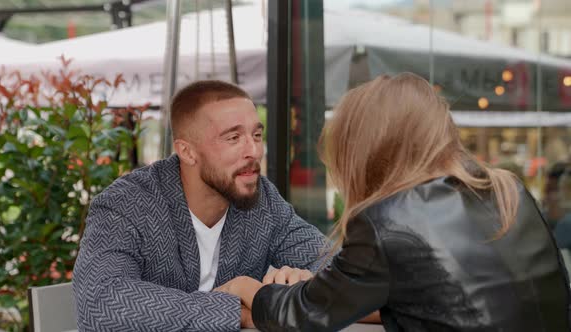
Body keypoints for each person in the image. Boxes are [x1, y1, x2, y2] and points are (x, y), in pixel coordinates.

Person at [216, 73, 571, 331]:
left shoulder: (386, 222)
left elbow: (303, 316)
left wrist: (241, 286)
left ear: (369, 149)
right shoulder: (509, 190)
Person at [72, 80, 328, 331]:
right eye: (234, 137)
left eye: (257, 135)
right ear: (187, 152)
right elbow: (101, 302)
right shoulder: (126, 205)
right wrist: (244, 305)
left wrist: (307, 284)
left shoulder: (263, 201)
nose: (254, 151)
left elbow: (334, 263)